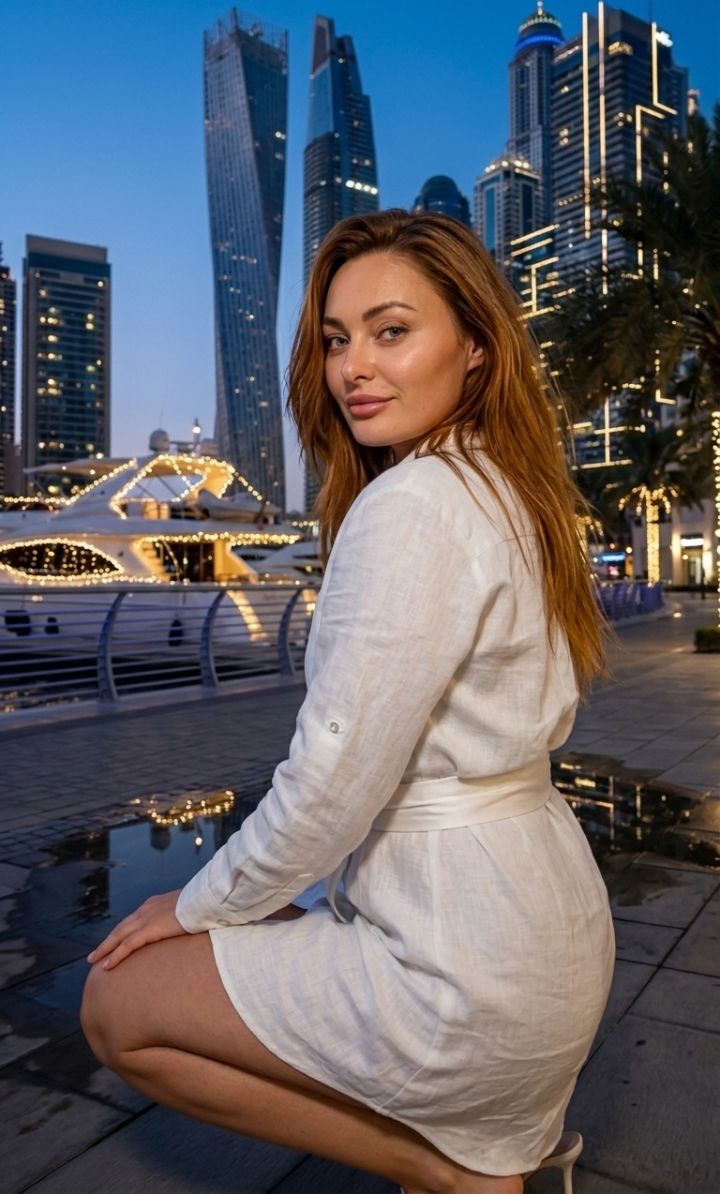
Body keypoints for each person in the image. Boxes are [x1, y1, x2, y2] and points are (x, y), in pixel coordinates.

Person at [82, 211, 615, 1194]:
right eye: (336, 339)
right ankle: (460, 1158)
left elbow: (333, 784)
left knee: (118, 1003)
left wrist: (199, 903)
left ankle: (446, 1168)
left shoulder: (411, 506)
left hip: (465, 971)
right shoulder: (510, 492)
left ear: (477, 349)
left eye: (391, 330)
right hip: (547, 937)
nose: (352, 367)